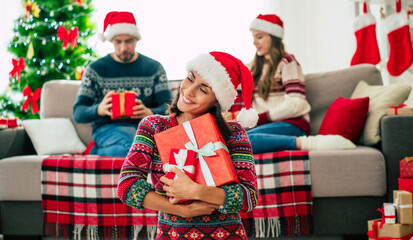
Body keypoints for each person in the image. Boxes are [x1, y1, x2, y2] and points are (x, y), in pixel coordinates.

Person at [117, 52, 258, 239]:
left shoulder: (234, 133)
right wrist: (183, 210)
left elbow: (249, 197)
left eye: (203, 89)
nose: (189, 91)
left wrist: (196, 190)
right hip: (172, 234)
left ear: (217, 101)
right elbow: (127, 186)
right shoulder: (153, 126)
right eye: (190, 79)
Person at [226, 14, 356, 153]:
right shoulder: (253, 67)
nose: (254, 42)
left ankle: (306, 143)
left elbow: (296, 104)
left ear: (273, 37)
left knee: (244, 141)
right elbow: (233, 85)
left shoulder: (288, 62)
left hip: (292, 124)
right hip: (266, 125)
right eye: (253, 37)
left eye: (259, 37)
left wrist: (259, 118)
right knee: (234, 139)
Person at [73, 11, 172, 157]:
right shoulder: (95, 70)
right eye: (118, 42)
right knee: (137, 147)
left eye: (129, 41)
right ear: (111, 41)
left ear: (136, 39)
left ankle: (95, 152)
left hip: (143, 128)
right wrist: (99, 109)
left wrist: (150, 112)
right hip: (107, 129)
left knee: (135, 147)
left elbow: (170, 108)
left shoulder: (154, 68)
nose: (123, 48)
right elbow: (78, 113)